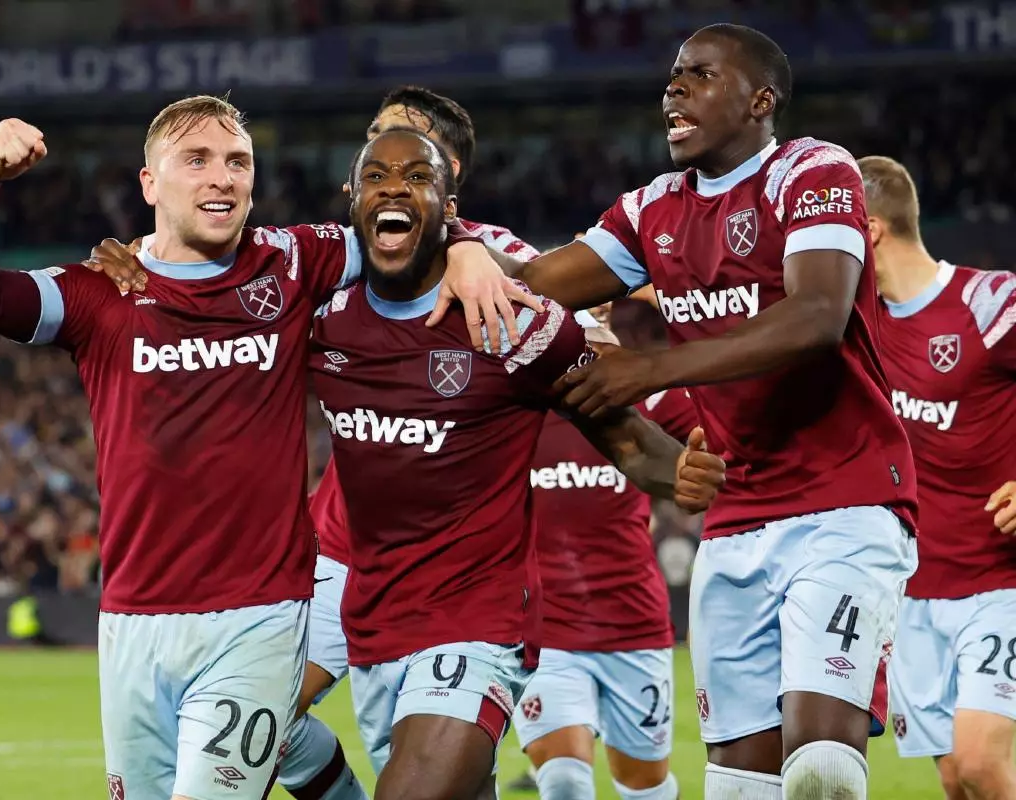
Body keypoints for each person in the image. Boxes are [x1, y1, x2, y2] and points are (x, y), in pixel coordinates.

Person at [0, 96, 524, 800]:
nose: (222, 178)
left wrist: (460, 247)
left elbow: (404, 227)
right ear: (150, 184)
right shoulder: (100, 292)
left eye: (237, 161)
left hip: (258, 614)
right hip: (132, 619)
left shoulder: (296, 259)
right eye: (198, 160)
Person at [458, 23, 920, 799]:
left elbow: (816, 317)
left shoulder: (811, 171)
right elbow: (535, 282)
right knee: (740, 786)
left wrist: (652, 369)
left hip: (846, 504)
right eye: (673, 75)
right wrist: (467, 248)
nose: (674, 88)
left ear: (759, 100)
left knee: (822, 771)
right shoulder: (653, 210)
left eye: (700, 75)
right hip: (735, 523)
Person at [310, 127, 725, 800]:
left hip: (478, 625)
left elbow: (623, 437)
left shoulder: (514, 322)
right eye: (377, 175)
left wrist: (676, 472)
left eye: (417, 176)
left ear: (450, 208)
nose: (393, 186)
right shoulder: (322, 317)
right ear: (351, 199)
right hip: (374, 622)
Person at [290, 85, 546, 800]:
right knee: (258, 715)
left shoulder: (491, 253)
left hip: (449, 570)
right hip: (339, 549)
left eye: (402, 146)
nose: (381, 163)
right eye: (373, 143)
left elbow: (563, 298)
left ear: (447, 172)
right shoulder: (344, 250)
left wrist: (467, 248)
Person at [860, 155, 1016, 799]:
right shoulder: (856, 323)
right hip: (910, 598)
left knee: (981, 763)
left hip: (999, 580)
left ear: (867, 231)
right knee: (956, 781)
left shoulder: (991, 302)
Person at [512, 302, 696, 800]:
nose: (588, 316)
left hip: (632, 624)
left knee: (646, 789)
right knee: (566, 783)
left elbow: (724, 400)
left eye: (600, 302)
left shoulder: (645, 398)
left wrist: (670, 295)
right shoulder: (514, 406)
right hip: (545, 633)